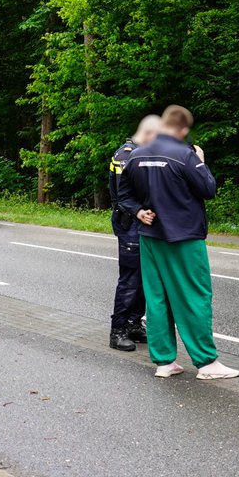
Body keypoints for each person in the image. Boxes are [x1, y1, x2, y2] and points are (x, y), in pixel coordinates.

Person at [119, 105, 238, 381]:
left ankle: (164, 362)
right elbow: (208, 189)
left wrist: (138, 211)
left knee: (157, 299)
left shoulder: (137, 155)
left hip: (150, 237)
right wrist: (201, 160)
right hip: (184, 237)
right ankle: (206, 362)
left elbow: (123, 194)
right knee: (194, 296)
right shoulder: (185, 155)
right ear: (183, 129)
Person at [107, 114, 161, 351]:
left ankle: (133, 323)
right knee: (130, 279)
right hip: (130, 223)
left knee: (143, 277)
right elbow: (124, 195)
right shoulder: (126, 155)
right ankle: (118, 330)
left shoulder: (140, 153)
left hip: (142, 224)